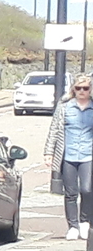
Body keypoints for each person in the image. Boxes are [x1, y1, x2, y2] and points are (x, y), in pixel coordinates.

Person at [48, 76, 93, 238]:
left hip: (88, 156)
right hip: (68, 155)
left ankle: (84, 221)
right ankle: (72, 226)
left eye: (85, 88)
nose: (82, 91)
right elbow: (54, 130)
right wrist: (49, 153)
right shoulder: (65, 107)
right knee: (70, 192)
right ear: (73, 89)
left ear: (90, 90)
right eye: (78, 88)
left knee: (87, 190)